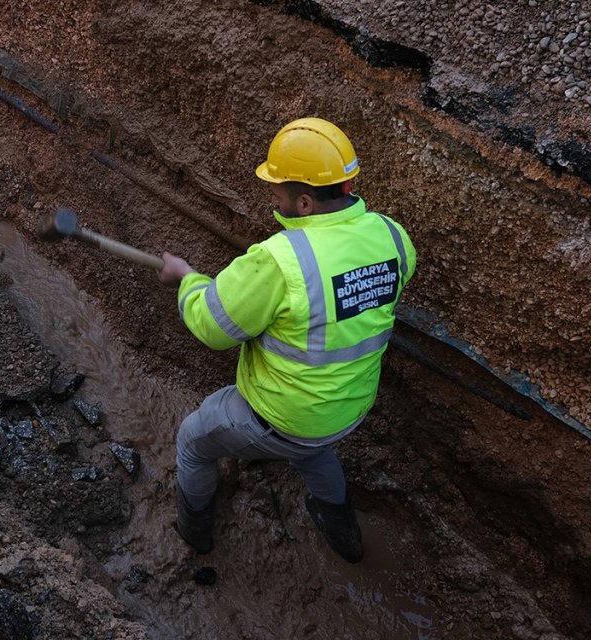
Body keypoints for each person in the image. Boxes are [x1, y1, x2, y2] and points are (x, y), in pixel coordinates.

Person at [158, 117, 415, 562]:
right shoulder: (393, 236)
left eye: (277, 195)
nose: (272, 203)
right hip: (350, 406)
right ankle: (344, 534)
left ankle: (194, 532)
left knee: (193, 442)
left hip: (286, 417)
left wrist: (186, 280)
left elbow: (211, 327)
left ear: (305, 202)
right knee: (313, 450)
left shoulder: (280, 259)